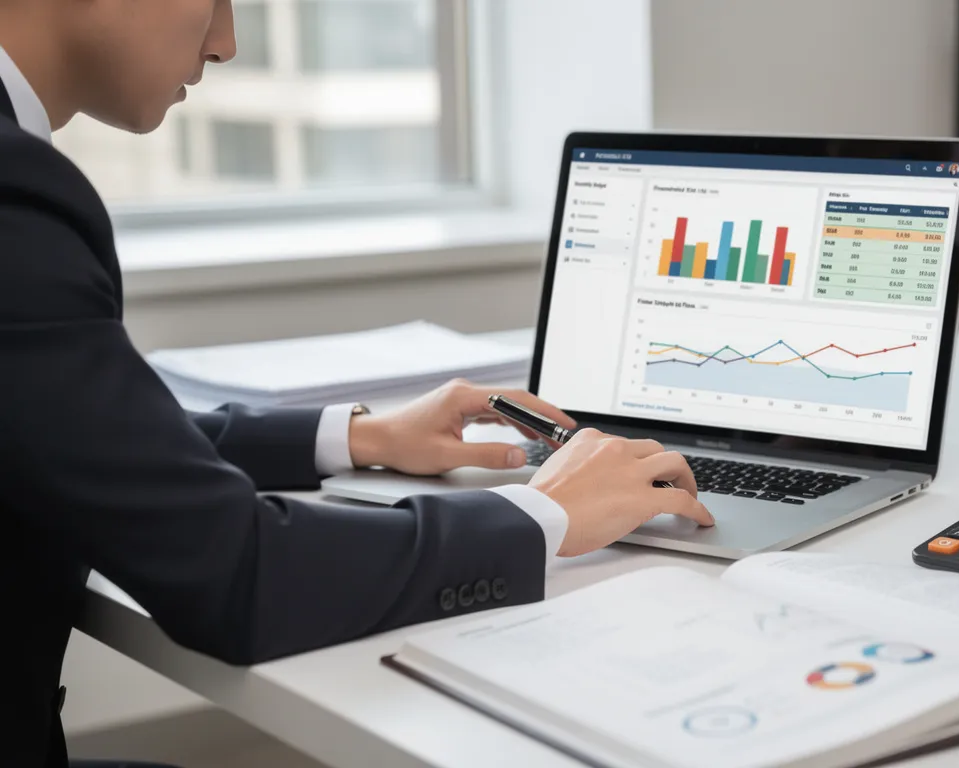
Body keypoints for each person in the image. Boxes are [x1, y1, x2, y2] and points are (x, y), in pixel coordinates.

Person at [0, 1, 714, 766]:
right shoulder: (16, 192)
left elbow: (79, 436)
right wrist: (540, 512)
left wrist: (358, 436)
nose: (227, 42)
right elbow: (241, 578)